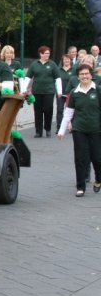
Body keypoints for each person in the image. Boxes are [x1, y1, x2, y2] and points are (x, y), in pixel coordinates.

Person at [57, 64, 101, 197]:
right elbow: (68, 113)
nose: (84, 76)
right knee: (80, 158)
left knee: (97, 158)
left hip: (96, 130)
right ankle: (80, 187)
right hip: (79, 129)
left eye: (86, 73)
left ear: (91, 75)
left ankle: (98, 179)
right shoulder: (74, 93)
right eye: (82, 74)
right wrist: (61, 130)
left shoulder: (98, 90)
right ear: (78, 76)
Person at [25, 45, 60, 138]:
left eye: (48, 53)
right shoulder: (34, 64)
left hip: (49, 91)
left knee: (48, 109)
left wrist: (59, 91)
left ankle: (48, 128)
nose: (47, 55)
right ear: (41, 54)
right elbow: (28, 77)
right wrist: (24, 89)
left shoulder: (52, 64)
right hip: (37, 91)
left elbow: (58, 78)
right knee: (38, 111)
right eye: (45, 53)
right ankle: (38, 131)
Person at [56, 53, 73, 131]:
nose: (66, 61)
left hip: (70, 94)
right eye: (65, 59)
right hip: (60, 93)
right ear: (62, 61)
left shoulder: (74, 70)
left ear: (70, 60)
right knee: (60, 110)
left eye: (68, 59)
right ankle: (59, 127)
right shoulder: (58, 70)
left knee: (70, 111)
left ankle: (71, 127)